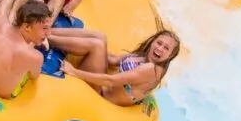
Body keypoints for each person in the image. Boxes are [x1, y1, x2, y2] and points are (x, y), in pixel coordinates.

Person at [50, 27, 181, 106]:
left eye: (166, 48)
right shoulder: (144, 56)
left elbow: (110, 81)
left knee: (96, 45)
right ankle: (49, 30)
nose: (160, 48)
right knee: (101, 38)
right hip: (102, 86)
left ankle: (45, 38)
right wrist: (98, 48)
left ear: (170, 56)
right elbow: (113, 60)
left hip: (100, 96)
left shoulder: (150, 70)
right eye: (159, 43)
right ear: (152, 41)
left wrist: (74, 71)